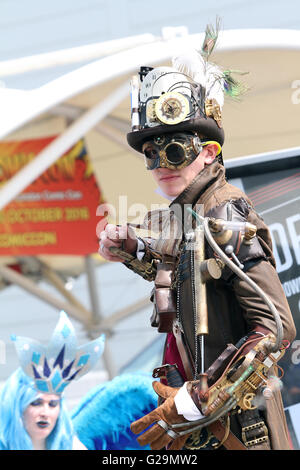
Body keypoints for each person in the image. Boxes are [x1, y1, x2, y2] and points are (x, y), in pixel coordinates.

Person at [99, 23, 296, 450]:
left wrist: (198, 397)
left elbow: (276, 327)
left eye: (175, 149)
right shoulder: (190, 216)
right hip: (204, 429)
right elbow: (184, 276)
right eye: (151, 153)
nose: (161, 163)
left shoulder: (224, 210)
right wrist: (132, 247)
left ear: (208, 153)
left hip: (239, 432)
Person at [0, 311, 105, 450]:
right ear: (17, 406)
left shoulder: (72, 446)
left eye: (53, 404)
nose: (45, 412)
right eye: (36, 403)